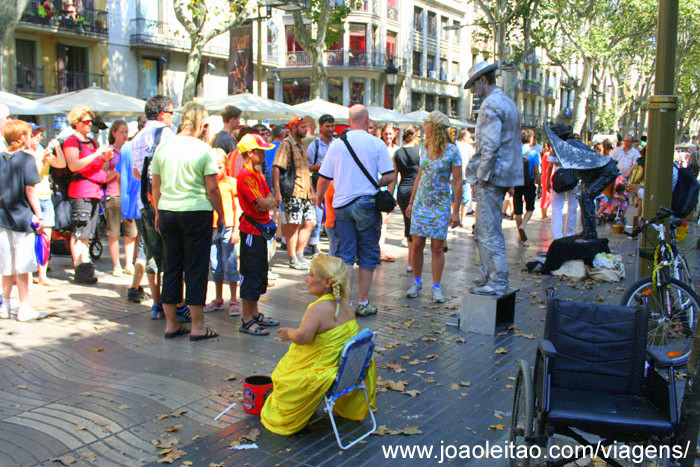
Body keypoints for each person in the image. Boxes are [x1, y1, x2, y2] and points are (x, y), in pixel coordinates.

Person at [260, 254, 377, 436]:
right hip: (349, 371)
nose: (307, 279)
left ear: (327, 282)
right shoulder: (345, 305)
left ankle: (285, 413)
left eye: (312, 275)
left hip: (325, 371)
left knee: (283, 375)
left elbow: (303, 338)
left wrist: (289, 333)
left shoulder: (316, 310)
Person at [151, 101, 224, 341]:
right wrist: (221, 214)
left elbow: (156, 184)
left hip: (168, 211)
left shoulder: (164, 146)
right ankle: (198, 325)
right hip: (196, 212)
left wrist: (158, 212)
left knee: (171, 267)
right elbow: (212, 188)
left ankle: (171, 323)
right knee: (195, 268)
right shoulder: (204, 149)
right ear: (201, 123)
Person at [316, 105, 395, 317]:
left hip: (341, 206)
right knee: (368, 255)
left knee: (346, 256)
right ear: (367, 120)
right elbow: (389, 176)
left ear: (349, 121)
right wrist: (373, 182)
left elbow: (324, 178)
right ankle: (363, 302)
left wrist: (318, 197)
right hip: (367, 203)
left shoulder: (337, 144)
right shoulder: (376, 143)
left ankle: (345, 305)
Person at [463, 62, 522, 295]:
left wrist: (480, 178)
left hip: (493, 176)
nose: (472, 91)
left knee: (488, 230)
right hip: (505, 174)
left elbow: (489, 146)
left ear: (483, 80)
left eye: (473, 85)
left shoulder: (490, 105)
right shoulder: (507, 101)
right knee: (488, 228)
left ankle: (496, 281)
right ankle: (490, 276)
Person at [128, 95, 181, 322]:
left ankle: (157, 303)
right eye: (171, 112)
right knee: (171, 254)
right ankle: (174, 303)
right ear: (162, 114)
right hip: (165, 203)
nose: (172, 116)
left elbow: (136, 173)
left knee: (152, 254)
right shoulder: (166, 134)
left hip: (144, 202)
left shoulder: (137, 136)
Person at [405, 111, 462, 303]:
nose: (423, 128)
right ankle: (417, 282)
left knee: (437, 246)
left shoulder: (452, 151)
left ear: (435, 127)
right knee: (417, 244)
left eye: (426, 124)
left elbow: (458, 181)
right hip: (422, 202)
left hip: (440, 204)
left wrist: (456, 211)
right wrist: (411, 202)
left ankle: (436, 287)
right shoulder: (423, 146)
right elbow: (419, 176)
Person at [0, 120, 47, 321]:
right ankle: (24, 307)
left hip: (3, 217)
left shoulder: (1, 159)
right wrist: (39, 214)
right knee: (24, 265)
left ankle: (5, 304)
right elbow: (30, 190)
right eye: (28, 134)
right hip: (22, 218)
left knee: (6, 265)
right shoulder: (26, 159)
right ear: (21, 138)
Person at [235, 133, 281, 336]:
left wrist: (268, 201)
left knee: (259, 273)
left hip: (259, 230)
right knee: (250, 273)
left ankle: (254, 313)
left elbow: (270, 198)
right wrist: (268, 201)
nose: (263, 155)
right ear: (250, 153)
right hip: (251, 231)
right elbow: (264, 203)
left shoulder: (257, 173)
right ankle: (247, 319)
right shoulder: (245, 175)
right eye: (260, 152)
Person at [62, 105, 113, 284]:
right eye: (85, 121)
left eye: (90, 121)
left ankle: (86, 265)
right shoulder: (71, 141)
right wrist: (96, 155)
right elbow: (73, 165)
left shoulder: (91, 142)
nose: (89, 124)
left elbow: (100, 167)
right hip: (81, 190)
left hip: (95, 190)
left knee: (87, 232)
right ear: (76, 123)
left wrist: (104, 158)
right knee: (79, 231)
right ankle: (80, 268)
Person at [272, 116, 316, 270]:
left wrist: (312, 191)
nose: (306, 130)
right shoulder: (286, 144)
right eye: (303, 127)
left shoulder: (302, 145)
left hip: (305, 192)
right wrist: (277, 192)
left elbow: (305, 170)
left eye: (307, 127)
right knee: (293, 225)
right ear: (293, 128)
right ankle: (292, 258)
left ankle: (299, 254)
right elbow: (276, 167)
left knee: (310, 222)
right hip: (293, 191)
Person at [204, 149, 241, 317]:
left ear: (226, 165)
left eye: (219, 167)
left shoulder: (231, 183)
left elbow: (236, 208)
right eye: (214, 167)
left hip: (227, 227)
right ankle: (218, 298)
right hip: (211, 228)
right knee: (215, 264)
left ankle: (234, 299)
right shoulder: (207, 183)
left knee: (230, 262)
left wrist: (235, 229)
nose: (217, 171)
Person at [30, 129, 66, 287]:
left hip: (46, 197)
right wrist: (42, 159)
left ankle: (42, 275)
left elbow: (61, 164)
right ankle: (29, 274)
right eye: (35, 134)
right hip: (32, 199)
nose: (39, 136)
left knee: (45, 239)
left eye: (40, 133)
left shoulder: (41, 150)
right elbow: (32, 175)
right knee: (30, 239)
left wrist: (57, 148)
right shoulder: (24, 153)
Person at [105, 120, 138, 277]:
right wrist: (116, 171)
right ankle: (116, 265)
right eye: (121, 132)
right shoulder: (109, 151)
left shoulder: (130, 149)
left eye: (126, 132)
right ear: (114, 133)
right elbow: (103, 176)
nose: (125, 135)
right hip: (113, 194)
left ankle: (129, 263)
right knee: (114, 232)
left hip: (129, 195)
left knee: (130, 232)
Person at [306, 114, 335, 258]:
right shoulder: (314, 146)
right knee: (317, 216)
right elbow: (307, 167)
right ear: (321, 127)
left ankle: (334, 246)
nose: (330, 129)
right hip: (319, 184)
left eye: (332, 126)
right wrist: (322, 167)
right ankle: (313, 245)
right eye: (327, 126)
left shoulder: (337, 144)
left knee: (333, 216)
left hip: (335, 186)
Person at [393, 125, 421, 271]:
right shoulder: (420, 152)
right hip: (417, 191)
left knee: (407, 224)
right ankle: (413, 260)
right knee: (415, 227)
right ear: (414, 136)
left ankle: (410, 262)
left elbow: (394, 177)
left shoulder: (397, 153)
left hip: (403, 191)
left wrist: (390, 196)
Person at [512, 129, 540, 242]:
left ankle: (520, 234)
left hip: (516, 183)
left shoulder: (514, 152)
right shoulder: (533, 153)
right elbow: (536, 171)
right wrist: (540, 185)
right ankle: (523, 225)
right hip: (529, 183)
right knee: (530, 208)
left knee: (517, 210)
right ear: (531, 139)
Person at [378, 123, 399, 263]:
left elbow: (398, 173)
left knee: (385, 219)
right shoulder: (378, 147)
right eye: (386, 134)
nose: (388, 136)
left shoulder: (397, 150)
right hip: (379, 185)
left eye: (390, 134)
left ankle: (380, 246)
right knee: (381, 218)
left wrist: (394, 191)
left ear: (395, 134)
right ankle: (380, 247)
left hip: (391, 187)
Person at [455, 129, 475, 223]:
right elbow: (473, 162)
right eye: (469, 137)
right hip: (465, 176)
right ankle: (462, 219)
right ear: (464, 137)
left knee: (454, 196)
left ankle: (455, 214)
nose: (470, 139)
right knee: (466, 198)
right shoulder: (468, 147)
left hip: (453, 176)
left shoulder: (454, 146)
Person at [539, 141, 552, 219]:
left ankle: (545, 214)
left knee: (548, 196)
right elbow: (548, 168)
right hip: (546, 177)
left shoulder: (547, 154)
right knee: (546, 196)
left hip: (547, 177)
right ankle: (544, 215)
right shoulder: (548, 155)